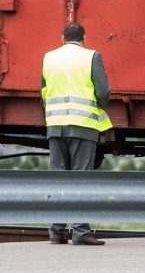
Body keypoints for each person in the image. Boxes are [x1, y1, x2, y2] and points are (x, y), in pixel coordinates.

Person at [41, 22, 112, 246]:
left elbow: (43, 91)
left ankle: (57, 232)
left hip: (55, 125)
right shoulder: (91, 56)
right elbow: (103, 92)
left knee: (58, 178)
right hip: (83, 125)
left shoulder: (48, 57)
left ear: (62, 37)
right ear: (84, 38)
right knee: (81, 178)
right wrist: (98, 104)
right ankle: (81, 232)